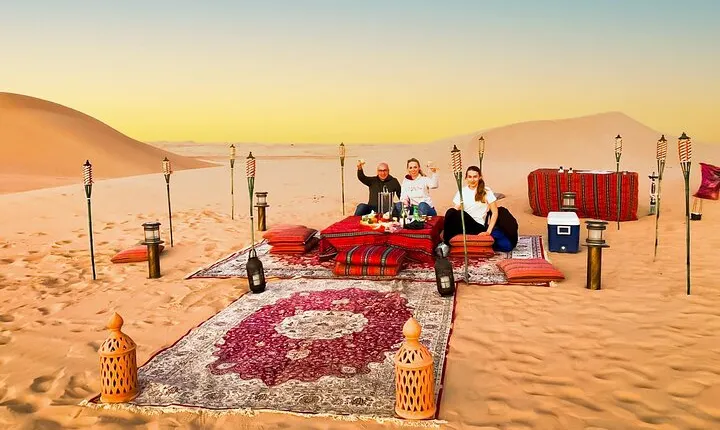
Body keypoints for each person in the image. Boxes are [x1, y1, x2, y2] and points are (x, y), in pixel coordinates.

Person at [442, 166, 515, 252]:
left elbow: (495, 212)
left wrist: (488, 231)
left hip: (478, 226)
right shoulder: (462, 191)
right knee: (451, 211)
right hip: (465, 225)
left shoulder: (486, 191)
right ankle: (445, 243)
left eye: (475, 177)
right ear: (466, 178)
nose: (472, 180)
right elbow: (455, 209)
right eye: (470, 177)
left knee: (457, 214)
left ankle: (445, 244)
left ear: (479, 177)